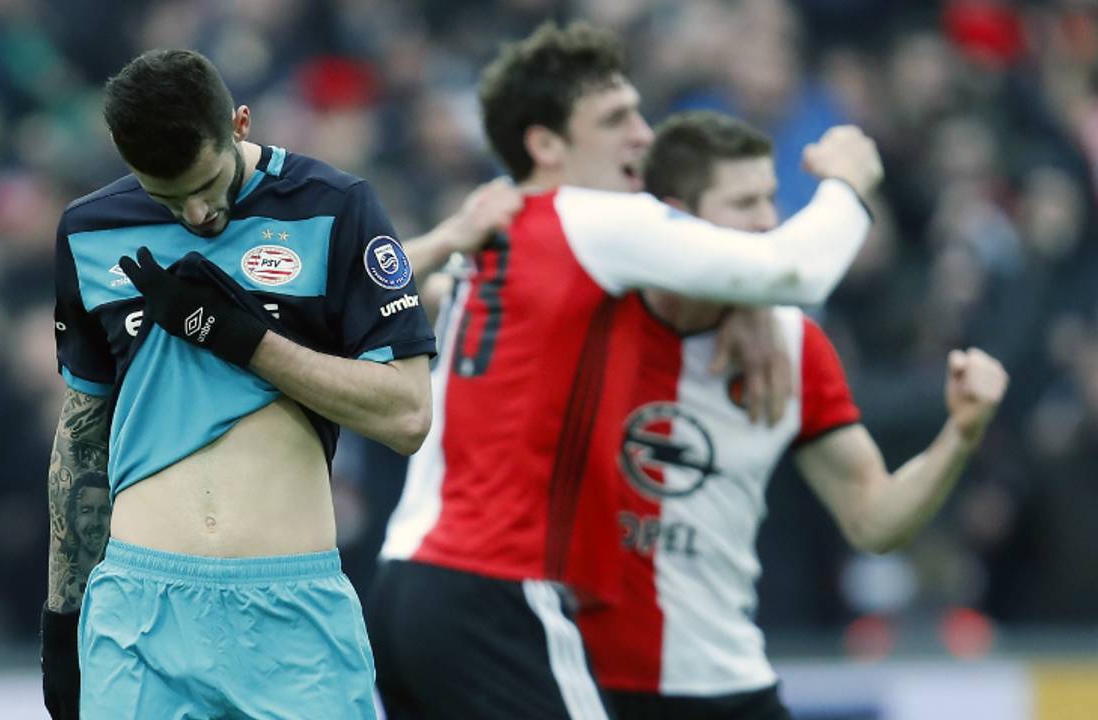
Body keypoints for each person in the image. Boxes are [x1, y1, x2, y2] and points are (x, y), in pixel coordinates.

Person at [370, 21, 883, 720]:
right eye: (615, 119)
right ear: (546, 144)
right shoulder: (593, 220)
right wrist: (849, 186)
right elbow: (793, 269)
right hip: (498, 586)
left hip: (408, 582)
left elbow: (390, 292)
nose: (643, 135)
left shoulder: (502, 228)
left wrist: (745, 303)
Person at [574, 110, 1009, 720]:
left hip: (725, 683)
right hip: (574, 683)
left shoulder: (792, 345)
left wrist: (959, 436)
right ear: (675, 217)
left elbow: (874, 520)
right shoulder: (581, 316)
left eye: (771, 199)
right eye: (744, 203)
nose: (768, 223)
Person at [40, 49, 435, 720]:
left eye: (207, 184)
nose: (194, 214)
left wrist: (241, 339)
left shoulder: (334, 208)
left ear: (241, 125)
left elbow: (407, 415)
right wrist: (61, 616)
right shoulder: (90, 231)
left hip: (292, 614)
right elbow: (82, 439)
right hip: (139, 612)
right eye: (167, 197)